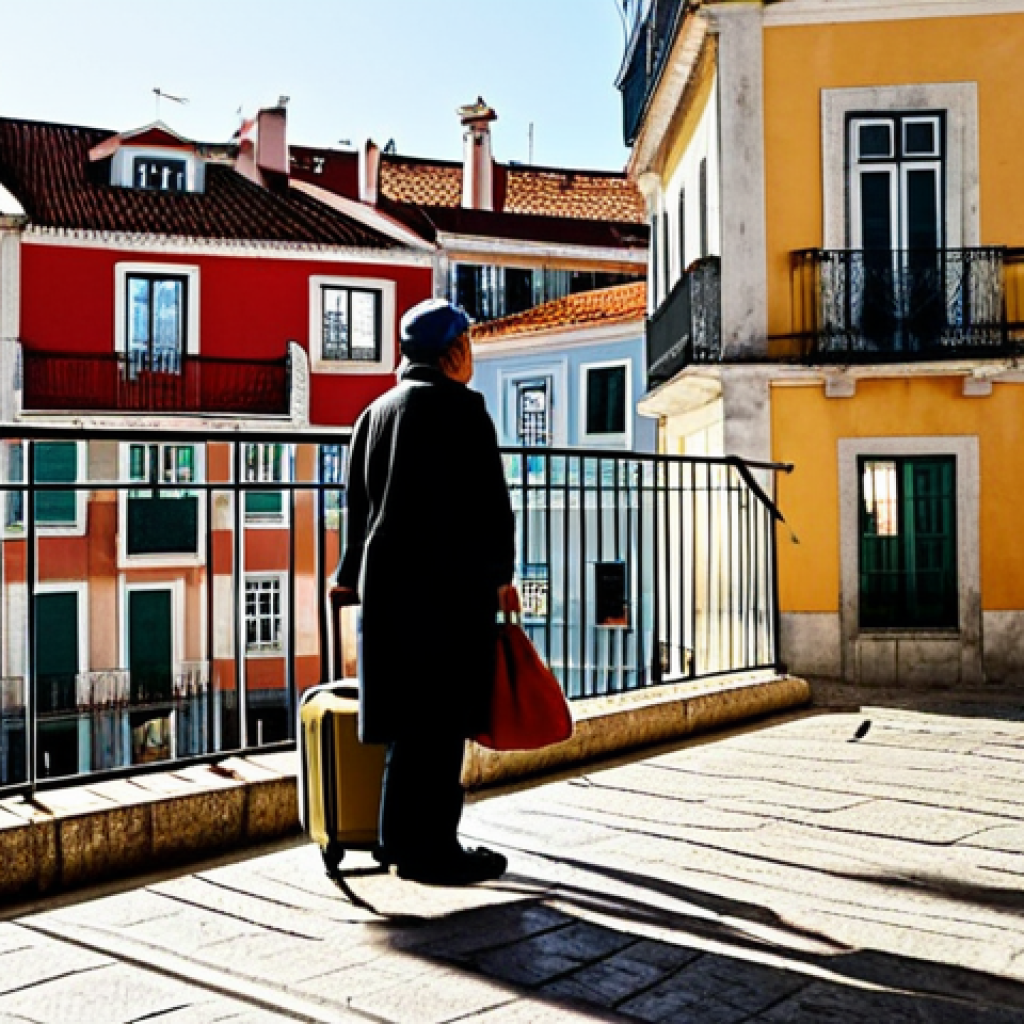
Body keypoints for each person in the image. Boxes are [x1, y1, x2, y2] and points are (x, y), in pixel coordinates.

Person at [333, 297, 520, 885]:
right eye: (469, 344)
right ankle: (433, 851)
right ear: (453, 352)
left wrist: (347, 576)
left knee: (407, 724)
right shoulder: (464, 409)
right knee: (441, 725)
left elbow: (356, 509)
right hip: (447, 590)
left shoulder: (375, 413)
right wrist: (501, 577)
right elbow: (491, 506)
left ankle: (396, 839)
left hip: (386, 591)